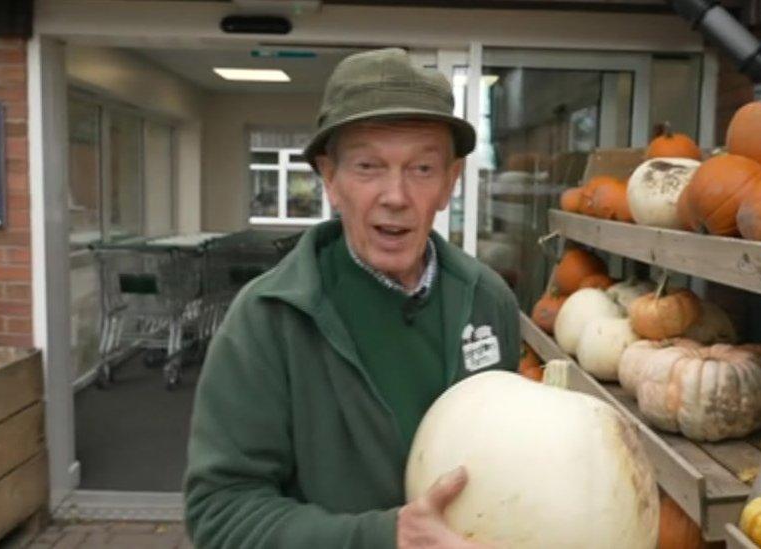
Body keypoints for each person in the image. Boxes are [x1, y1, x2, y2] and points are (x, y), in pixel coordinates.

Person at [184, 48, 521, 548]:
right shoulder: (267, 319)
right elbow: (221, 511)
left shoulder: (488, 301)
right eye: (367, 166)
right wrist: (384, 538)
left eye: (422, 169)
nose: (395, 195)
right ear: (330, 179)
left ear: (450, 182)